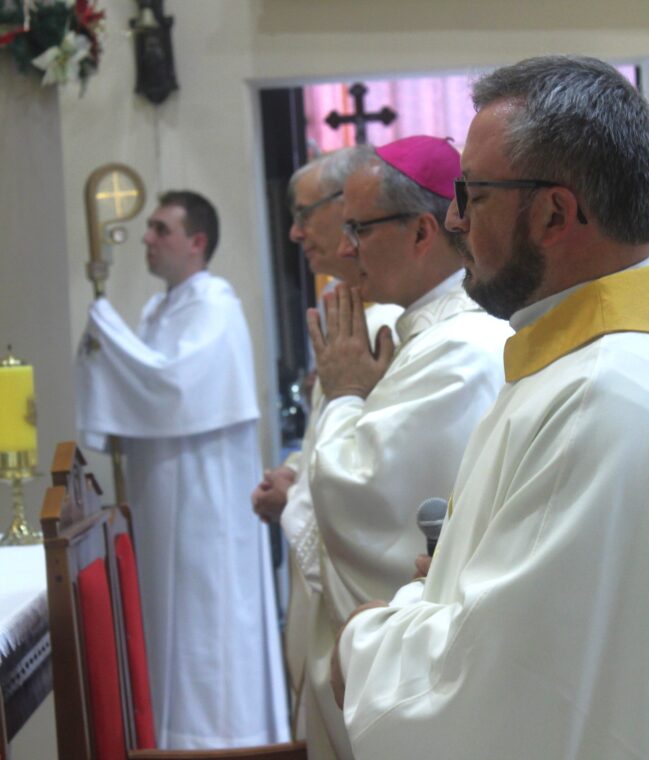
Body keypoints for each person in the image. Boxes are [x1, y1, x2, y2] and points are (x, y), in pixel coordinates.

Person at [334, 56, 649, 759]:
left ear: (555, 212)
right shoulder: (642, 353)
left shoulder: (597, 392)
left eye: (474, 194)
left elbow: (501, 695)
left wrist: (373, 638)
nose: (456, 219)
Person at [303, 135, 513, 759]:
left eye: (359, 230)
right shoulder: (424, 333)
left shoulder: (461, 349)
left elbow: (362, 498)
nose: (346, 251)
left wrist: (342, 394)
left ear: (423, 233)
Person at [75, 191, 288, 749]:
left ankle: (219, 742)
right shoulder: (156, 310)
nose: (147, 239)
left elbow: (170, 387)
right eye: (148, 229)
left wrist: (103, 324)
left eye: (160, 230)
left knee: (205, 625)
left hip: (205, 502)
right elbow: (144, 388)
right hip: (159, 496)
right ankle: (167, 739)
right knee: (165, 627)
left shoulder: (216, 305)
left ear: (196, 243)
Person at [251, 148, 403, 737]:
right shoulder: (349, 305)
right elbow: (331, 435)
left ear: (347, 210)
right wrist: (294, 472)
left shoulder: (389, 320)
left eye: (304, 213)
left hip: (364, 614)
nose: (295, 231)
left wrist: (295, 499)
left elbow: (377, 475)